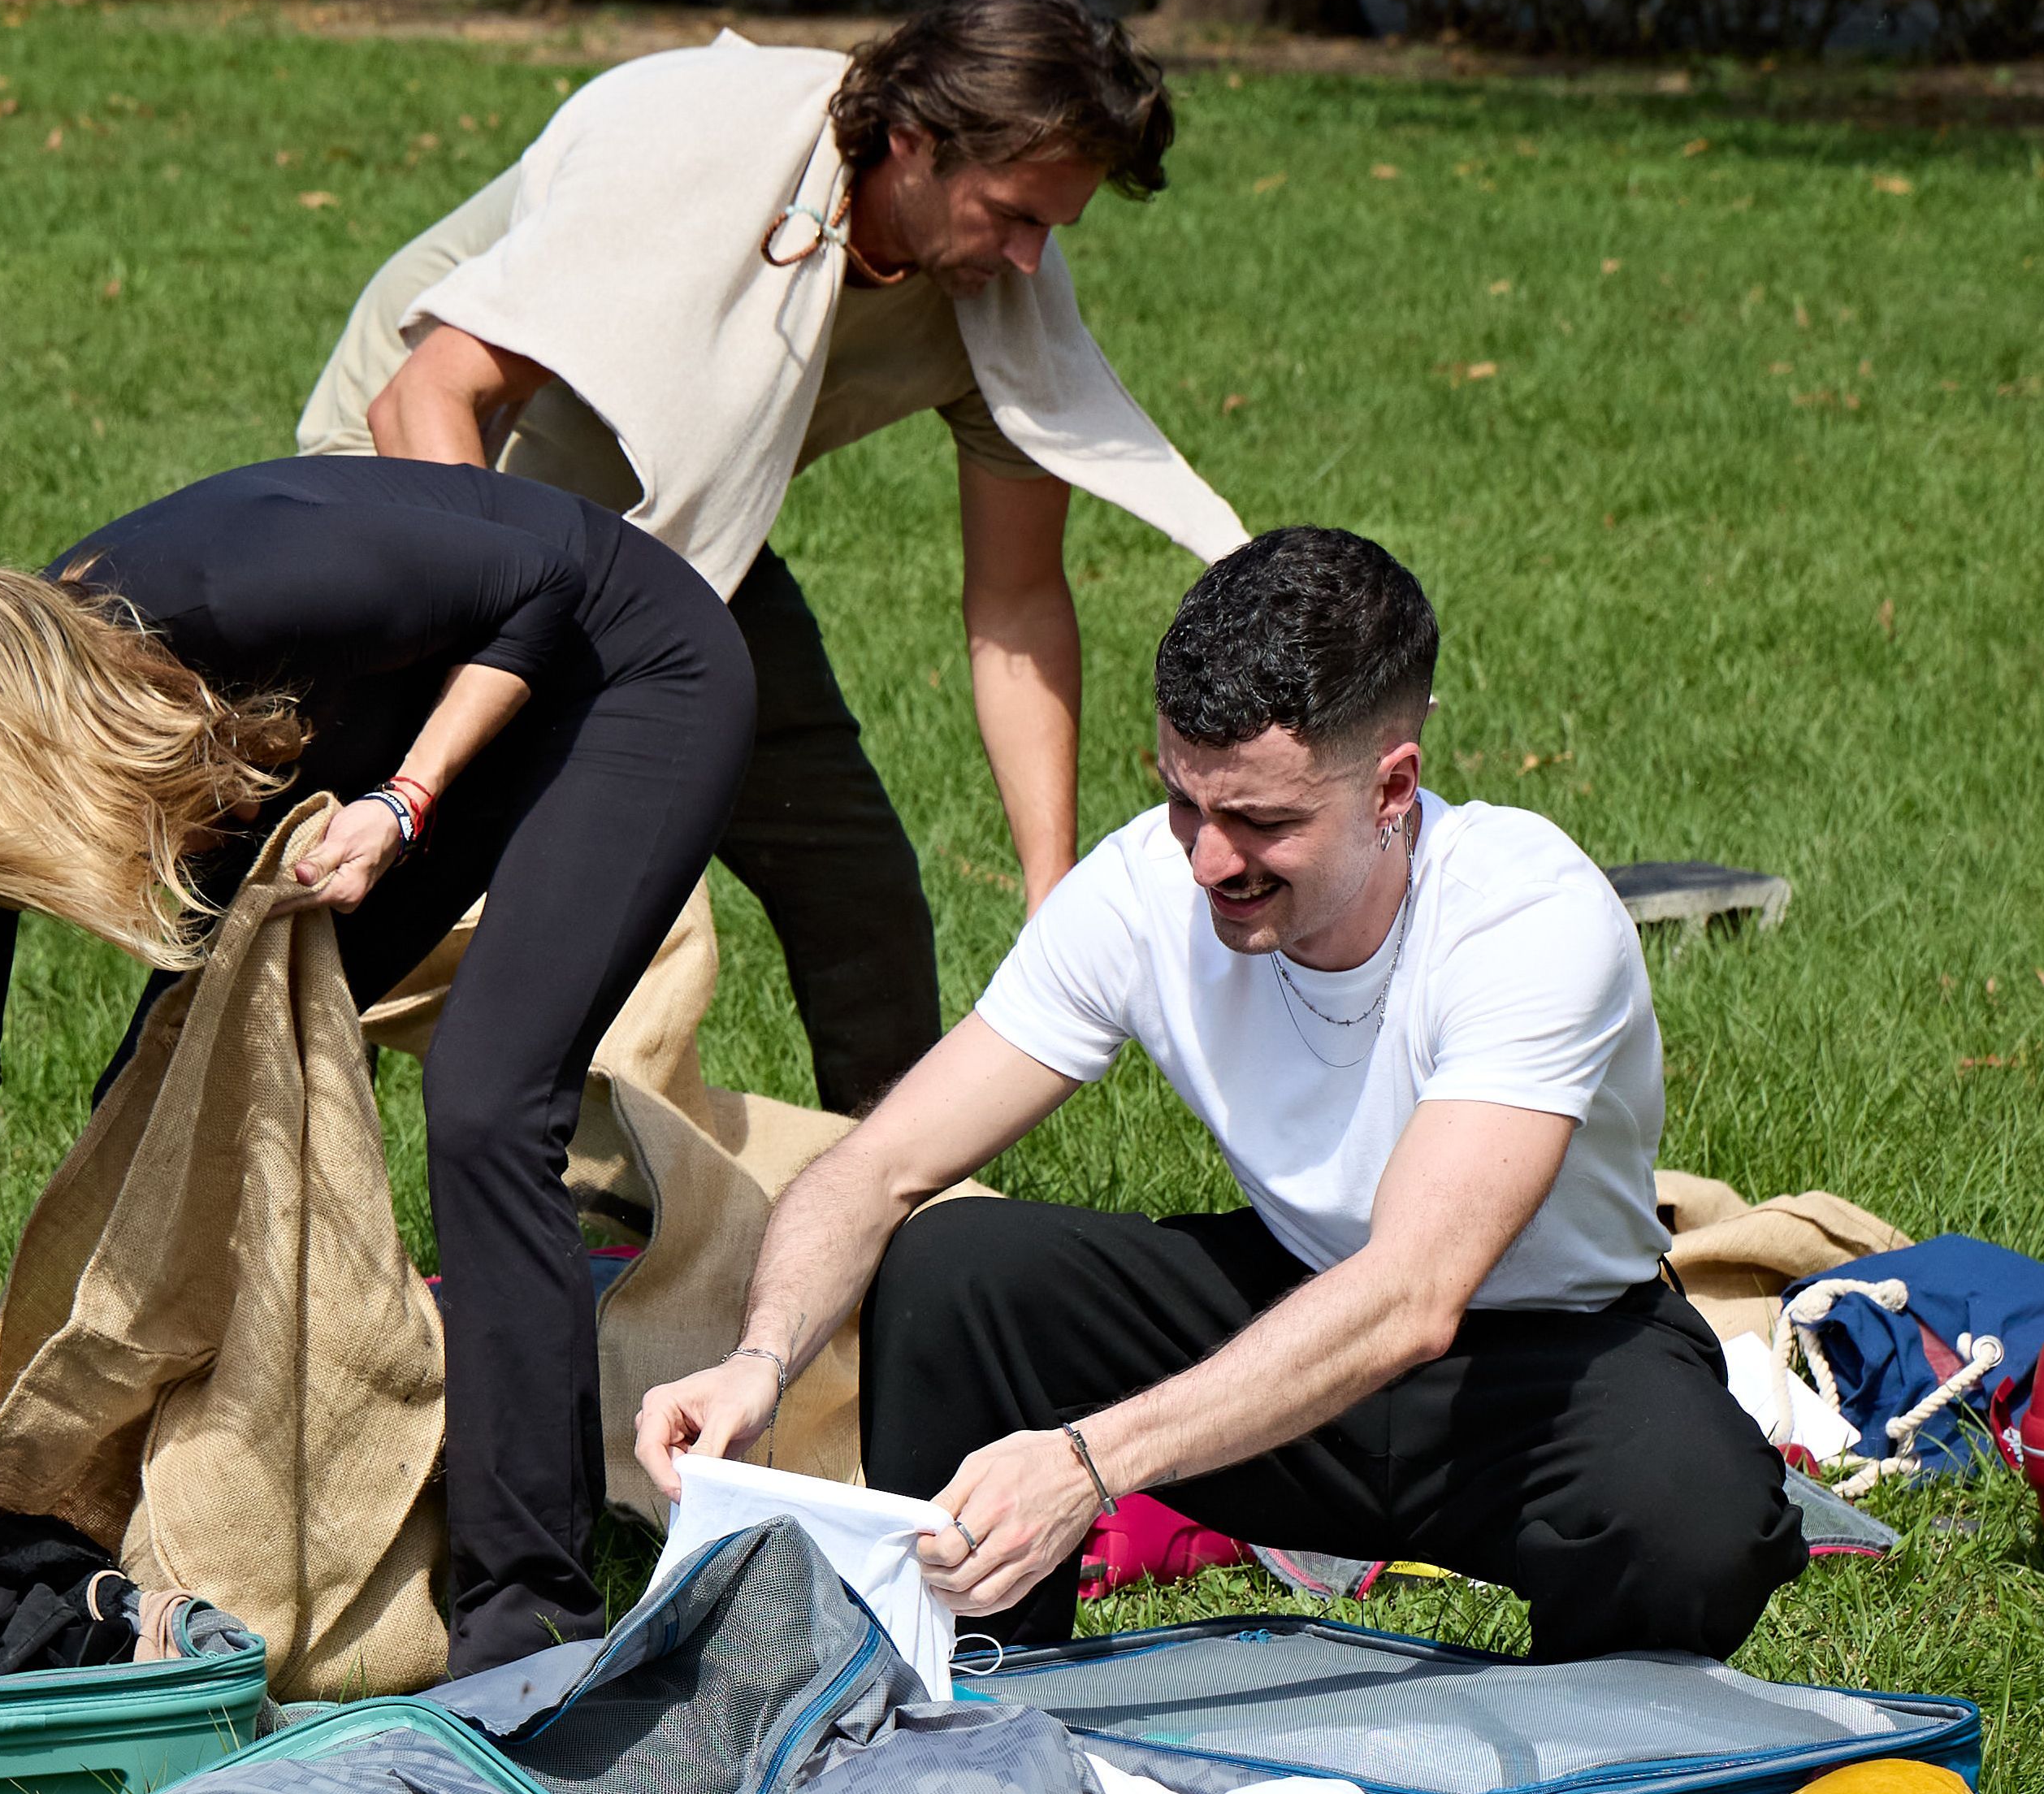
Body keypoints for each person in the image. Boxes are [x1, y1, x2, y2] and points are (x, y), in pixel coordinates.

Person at [630, 530, 1804, 1657]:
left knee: (1692, 1518)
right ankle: (974, 1714)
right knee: (957, 1274)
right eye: (1186, 799)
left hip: (1540, 1367)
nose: (1205, 859)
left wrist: (1088, 1463)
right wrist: (762, 1357)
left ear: (1394, 787)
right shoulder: (1147, 886)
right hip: (1295, 1307)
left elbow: (1412, 1295)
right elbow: (876, 1165)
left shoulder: (1528, 916)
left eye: (1261, 820)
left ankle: (1589, 1792)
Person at [0, 457, 754, 1678]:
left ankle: (528, 1624)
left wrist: (404, 801)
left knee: (488, 1099)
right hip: (407, 726)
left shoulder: (232, 585)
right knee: (164, 1098)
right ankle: (167, 1496)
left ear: (25, 746)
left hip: (621, 667)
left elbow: (545, 585)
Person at [301, 0, 1245, 1116]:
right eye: (1013, 214)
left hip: (687, 524)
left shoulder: (995, 294)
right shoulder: (699, 150)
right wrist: (485, 686)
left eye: (1056, 226)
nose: (1035, 261)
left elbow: (1018, 604)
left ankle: (898, 1221)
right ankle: (304, 1224)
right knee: (384, 884)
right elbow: (427, 396)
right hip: (433, 476)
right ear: (912, 142)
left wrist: (1053, 895)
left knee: (854, 881)